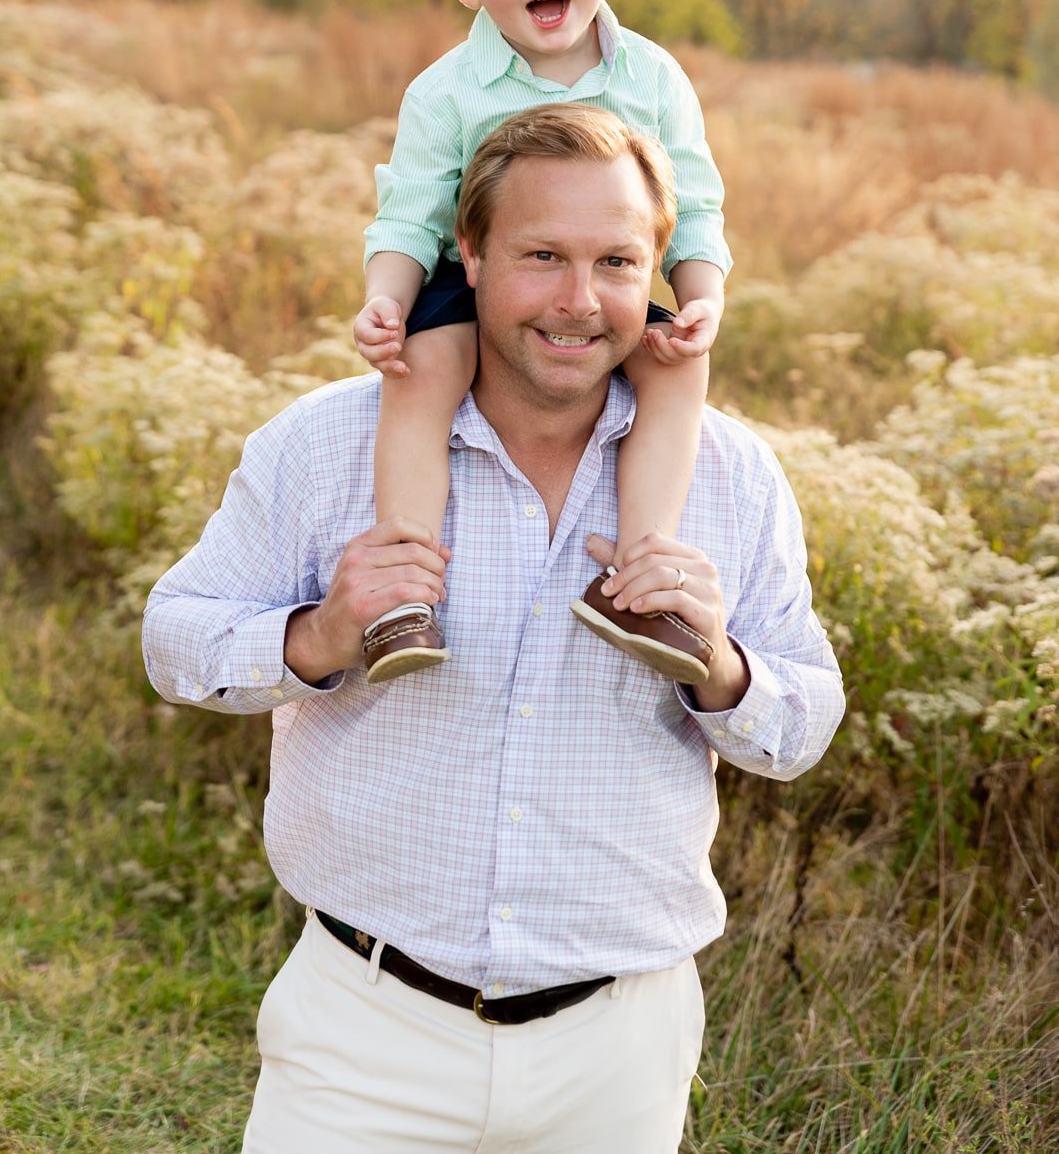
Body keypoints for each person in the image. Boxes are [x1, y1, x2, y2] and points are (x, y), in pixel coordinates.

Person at [143, 103, 844, 1154]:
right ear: (467, 255)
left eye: (616, 260)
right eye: (542, 255)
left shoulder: (732, 477)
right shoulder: (329, 443)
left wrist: (725, 665)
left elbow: (805, 725)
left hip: (618, 1054)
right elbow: (175, 641)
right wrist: (319, 637)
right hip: (362, 1034)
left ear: (657, 266)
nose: (579, 299)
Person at [352, 0, 732, 683]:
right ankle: (403, 593)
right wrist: (387, 298)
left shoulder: (653, 78)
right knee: (422, 370)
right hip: (471, 287)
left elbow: (698, 202)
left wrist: (700, 296)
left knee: (678, 372)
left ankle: (645, 579)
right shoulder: (446, 91)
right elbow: (409, 214)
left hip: (612, 285)